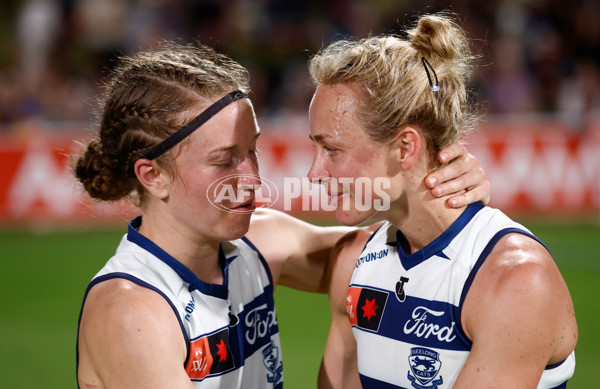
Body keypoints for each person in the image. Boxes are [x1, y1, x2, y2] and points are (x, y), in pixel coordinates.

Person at [73, 41, 490, 389]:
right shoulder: (131, 311)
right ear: (153, 176)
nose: (252, 179)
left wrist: (435, 182)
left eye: (251, 151)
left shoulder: (258, 245)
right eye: (224, 161)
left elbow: (389, 252)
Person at [308, 13, 578, 389]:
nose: (314, 174)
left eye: (331, 150)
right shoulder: (353, 263)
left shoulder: (515, 281)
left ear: (405, 148)